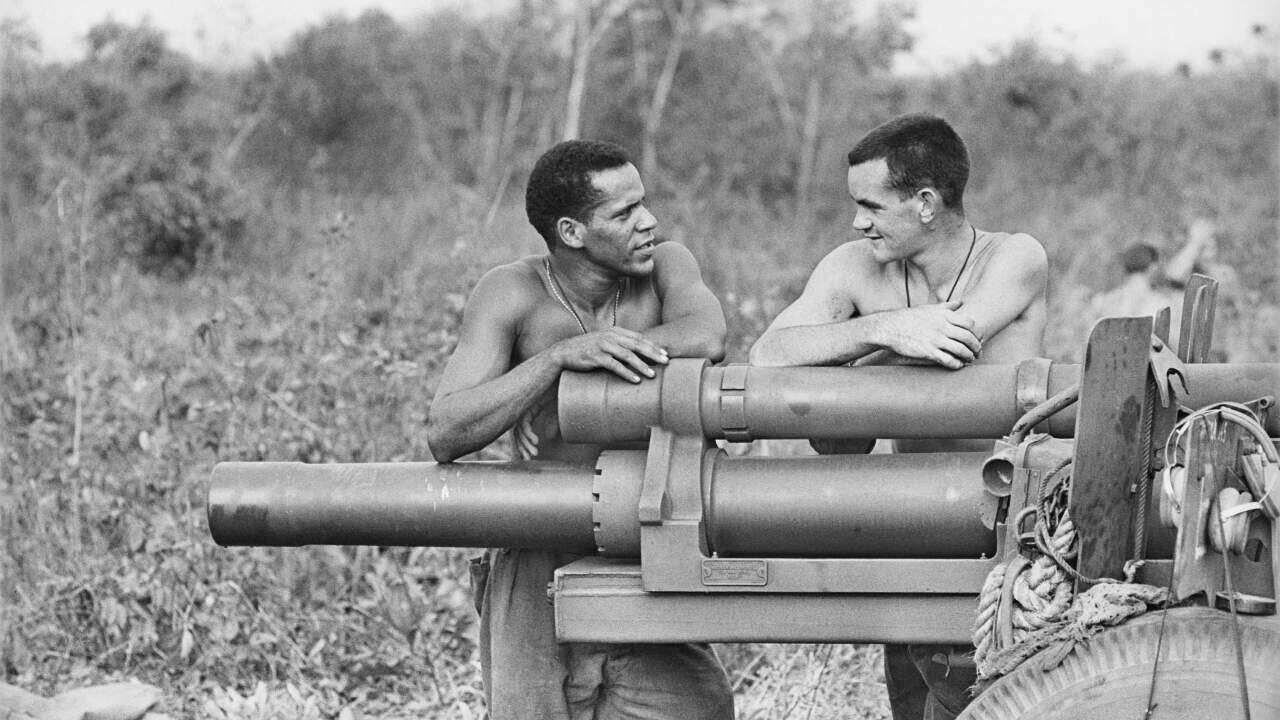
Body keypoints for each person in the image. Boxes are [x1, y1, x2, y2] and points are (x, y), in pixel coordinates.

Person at [749, 114, 1048, 720]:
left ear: (927, 203)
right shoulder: (856, 264)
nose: (858, 222)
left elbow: (954, 343)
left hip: (1001, 528)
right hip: (905, 521)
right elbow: (767, 355)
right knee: (914, 702)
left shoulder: (1015, 256)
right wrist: (886, 327)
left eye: (872, 206)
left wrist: (845, 360)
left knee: (983, 703)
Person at [425, 139, 734, 720]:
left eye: (643, 204)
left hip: (644, 539)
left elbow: (707, 334)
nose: (649, 222)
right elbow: (447, 430)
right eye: (623, 214)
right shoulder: (511, 292)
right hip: (537, 542)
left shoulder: (667, 265)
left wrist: (602, 363)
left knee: (700, 708)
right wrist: (556, 360)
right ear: (571, 232)